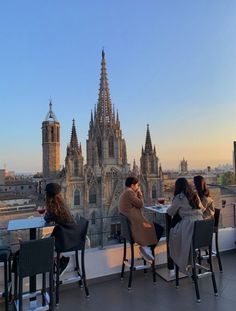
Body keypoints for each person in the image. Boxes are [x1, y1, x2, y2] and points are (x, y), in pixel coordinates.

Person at [118, 176, 163, 262]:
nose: (138, 187)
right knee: (159, 228)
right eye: (137, 185)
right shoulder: (129, 193)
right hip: (135, 226)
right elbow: (140, 204)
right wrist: (140, 194)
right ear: (132, 185)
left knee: (154, 227)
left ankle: (146, 248)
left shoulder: (125, 193)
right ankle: (146, 248)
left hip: (129, 226)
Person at [167, 178, 204, 272]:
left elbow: (170, 212)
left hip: (189, 227)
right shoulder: (195, 195)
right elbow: (202, 209)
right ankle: (190, 260)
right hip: (201, 227)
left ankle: (179, 262)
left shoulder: (179, 197)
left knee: (172, 234)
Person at [44, 182, 75, 276]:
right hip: (73, 237)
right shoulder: (62, 205)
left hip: (66, 241)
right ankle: (60, 262)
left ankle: (60, 262)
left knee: (44, 244)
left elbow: (47, 218)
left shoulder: (53, 208)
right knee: (50, 239)